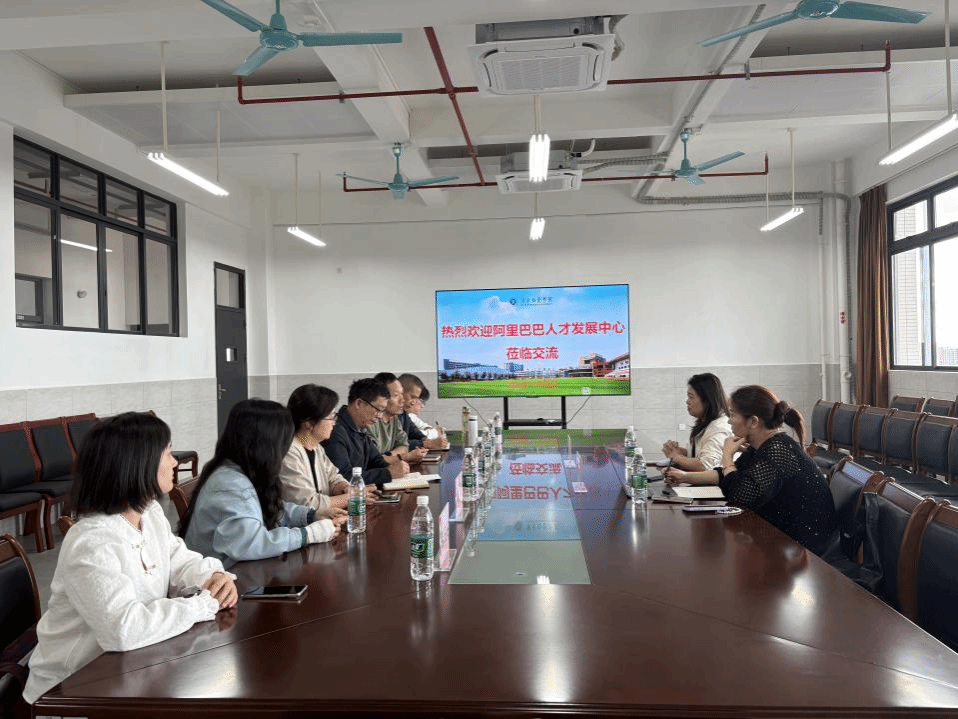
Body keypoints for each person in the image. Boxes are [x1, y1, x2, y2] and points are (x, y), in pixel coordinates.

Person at [23, 412, 237, 705]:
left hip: (130, 669)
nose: (175, 463)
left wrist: (213, 577)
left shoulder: (149, 513)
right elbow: (123, 630)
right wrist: (203, 604)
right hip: (70, 689)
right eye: (168, 453)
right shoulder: (93, 541)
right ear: (139, 463)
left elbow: (178, 560)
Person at [666, 385, 837, 555]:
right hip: (782, 537)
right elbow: (726, 476)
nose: (729, 421)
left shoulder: (777, 450)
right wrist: (684, 477)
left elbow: (740, 495)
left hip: (802, 548)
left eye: (732, 414)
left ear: (753, 422)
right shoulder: (761, 445)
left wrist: (727, 457)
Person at [180, 399, 344, 567]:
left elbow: (269, 507)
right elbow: (251, 543)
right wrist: (308, 534)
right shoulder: (230, 484)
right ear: (265, 444)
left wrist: (311, 516)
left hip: (241, 569)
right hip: (227, 575)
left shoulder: (243, 470)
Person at [281, 384, 377, 510]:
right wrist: (352, 497)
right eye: (331, 417)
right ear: (309, 422)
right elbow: (307, 503)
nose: (334, 423)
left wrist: (347, 488)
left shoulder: (316, 448)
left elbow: (333, 478)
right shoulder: (289, 453)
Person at [322, 378, 409, 489]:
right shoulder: (335, 432)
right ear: (359, 403)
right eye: (378, 409)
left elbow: (376, 460)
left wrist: (393, 467)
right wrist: (387, 473)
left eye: (382, 411)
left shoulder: (360, 428)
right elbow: (344, 477)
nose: (380, 416)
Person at [662, 373, 731, 476]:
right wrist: (680, 452)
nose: (687, 402)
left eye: (691, 397)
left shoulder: (719, 428)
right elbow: (701, 454)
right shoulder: (706, 423)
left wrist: (676, 457)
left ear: (707, 400)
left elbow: (705, 466)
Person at [366, 372, 428, 463]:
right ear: (381, 397)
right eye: (396, 395)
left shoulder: (394, 417)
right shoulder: (369, 421)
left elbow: (404, 445)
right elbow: (373, 460)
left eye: (401, 394)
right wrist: (403, 457)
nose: (402, 400)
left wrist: (392, 455)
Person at [398, 373, 445, 442]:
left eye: (416, 398)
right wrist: (426, 442)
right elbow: (402, 442)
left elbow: (415, 433)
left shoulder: (403, 415)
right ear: (400, 392)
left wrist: (428, 441)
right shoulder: (391, 415)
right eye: (412, 397)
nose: (413, 402)